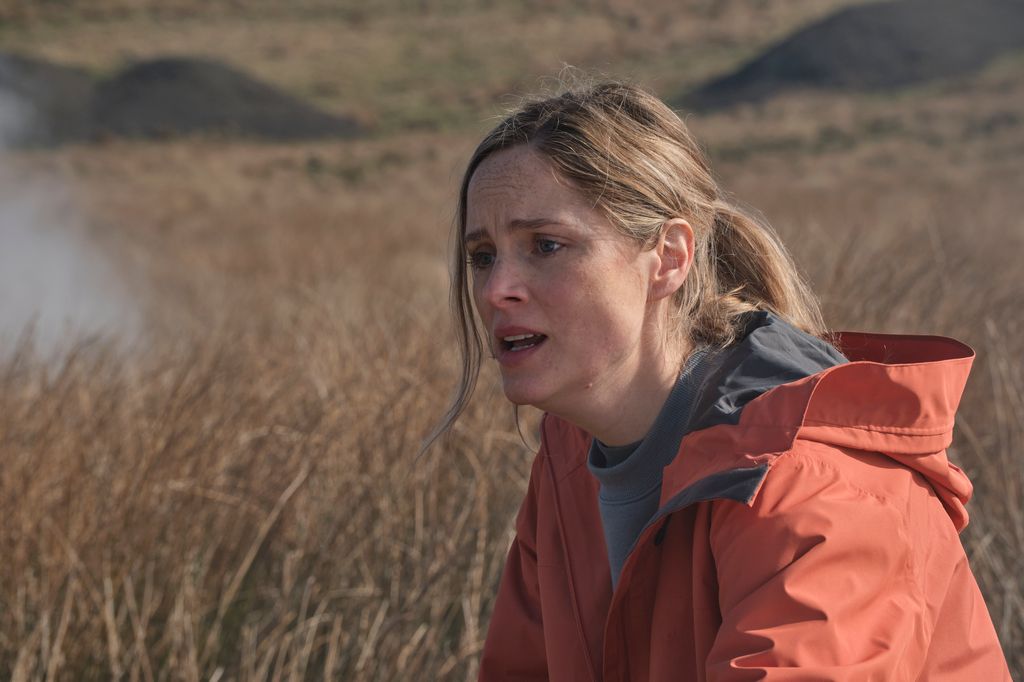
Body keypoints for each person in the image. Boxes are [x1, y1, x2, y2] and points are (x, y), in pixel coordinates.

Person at [434, 82, 1011, 680]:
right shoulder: (568, 458)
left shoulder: (811, 483)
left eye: (545, 245)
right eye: (482, 255)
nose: (498, 287)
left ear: (670, 258)